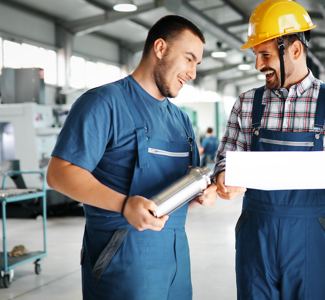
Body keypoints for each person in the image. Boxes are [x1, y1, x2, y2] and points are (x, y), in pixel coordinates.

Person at [213, 0, 325, 298]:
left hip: (313, 235)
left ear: (295, 50)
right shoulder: (246, 103)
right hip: (256, 233)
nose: (258, 65)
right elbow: (224, 160)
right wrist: (224, 178)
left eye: (265, 54)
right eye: (256, 55)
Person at [46, 15, 217, 300]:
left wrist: (200, 195)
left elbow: (184, 184)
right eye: (188, 59)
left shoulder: (181, 120)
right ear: (160, 48)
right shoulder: (103, 103)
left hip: (176, 261)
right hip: (122, 260)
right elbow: (59, 172)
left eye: (196, 64)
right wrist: (124, 204)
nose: (193, 73)